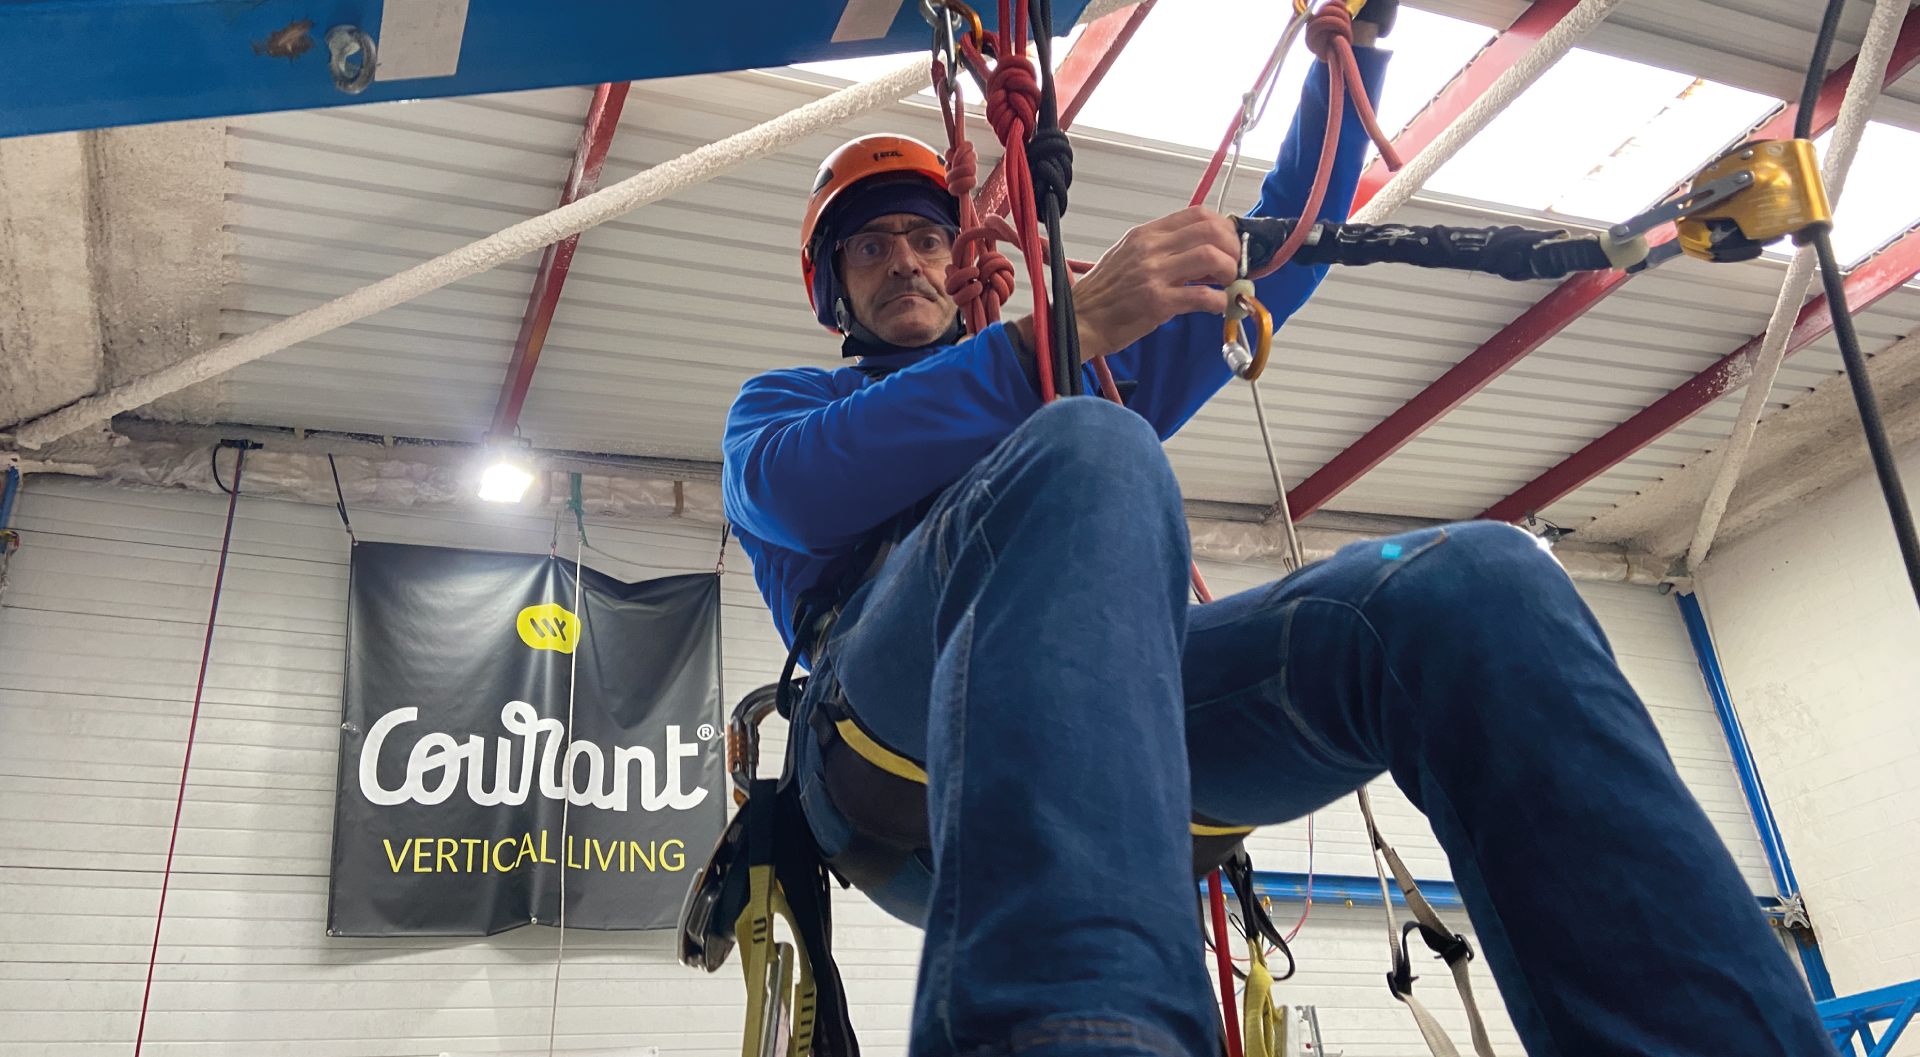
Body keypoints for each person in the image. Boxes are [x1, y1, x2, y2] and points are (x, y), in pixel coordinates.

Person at [721, 15, 1832, 1057]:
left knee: (1477, 582)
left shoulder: (1072, 366)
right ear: (834, 293)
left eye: (925, 236)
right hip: (882, 753)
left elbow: (1285, 245)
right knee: (1091, 447)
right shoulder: (787, 407)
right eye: (871, 249)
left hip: (1115, 732)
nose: (906, 261)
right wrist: (1057, 337)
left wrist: (1357, 40)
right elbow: (805, 487)